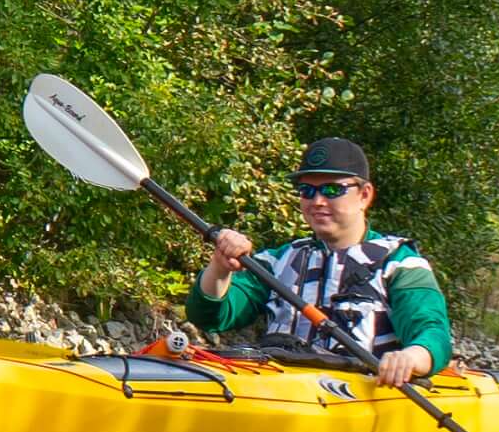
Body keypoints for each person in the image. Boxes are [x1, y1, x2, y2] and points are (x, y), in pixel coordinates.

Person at [189, 137, 446, 385]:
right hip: (286, 395)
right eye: (307, 191)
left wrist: (411, 357)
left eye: (332, 189)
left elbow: (433, 334)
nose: (317, 201)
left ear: (364, 195)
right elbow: (209, 316)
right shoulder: (279, 261)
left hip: (361, 399)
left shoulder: (400, 263)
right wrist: (220, 268)